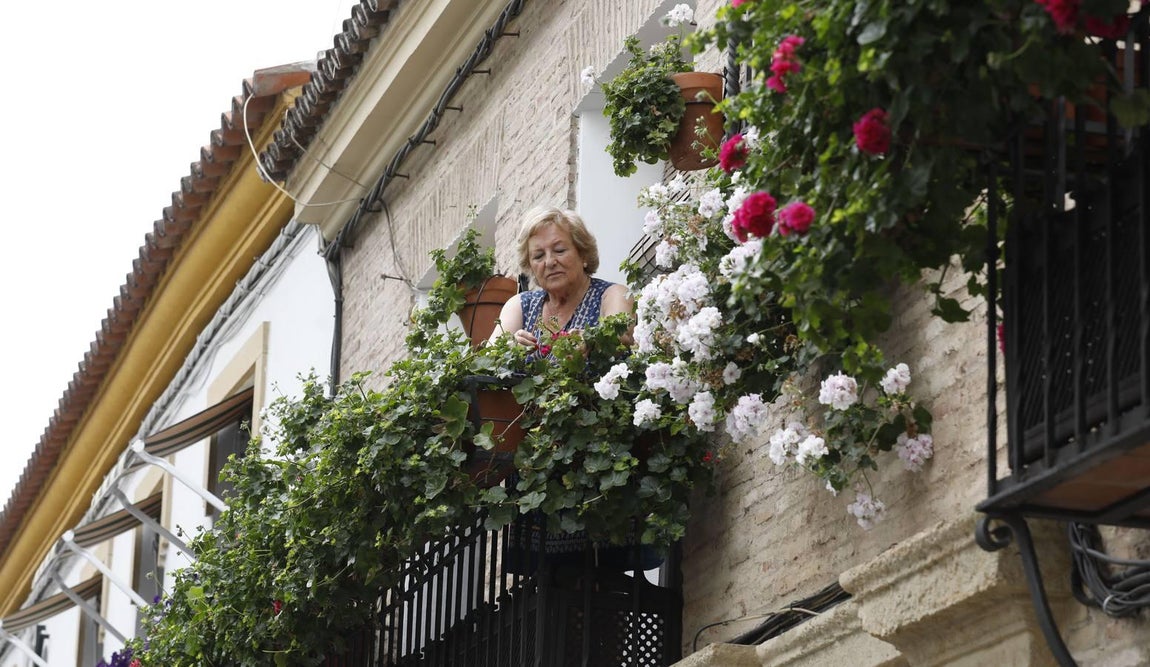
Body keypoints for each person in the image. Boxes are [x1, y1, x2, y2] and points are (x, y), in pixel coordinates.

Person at [493, 207, 633, 350]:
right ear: (530, 266)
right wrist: (509, 348)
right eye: (539, 256)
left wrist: (590, 341)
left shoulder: (612, 294)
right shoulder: (522, 306)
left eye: (559, 250)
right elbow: (487, 357)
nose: (549, 262)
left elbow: (620, 336)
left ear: (583, 254)